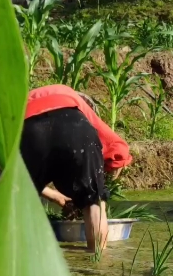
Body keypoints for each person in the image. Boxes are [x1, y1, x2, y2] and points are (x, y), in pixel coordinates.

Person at [22, 84, 132, 252]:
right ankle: (98, 262)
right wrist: (101, 183)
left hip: (29, 130)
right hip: (74, 128)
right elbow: (118, 149)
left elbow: (18, 176)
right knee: (93, 203)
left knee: (19, 201)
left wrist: (54, 196)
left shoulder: (24, 100)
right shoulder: (75, 100)